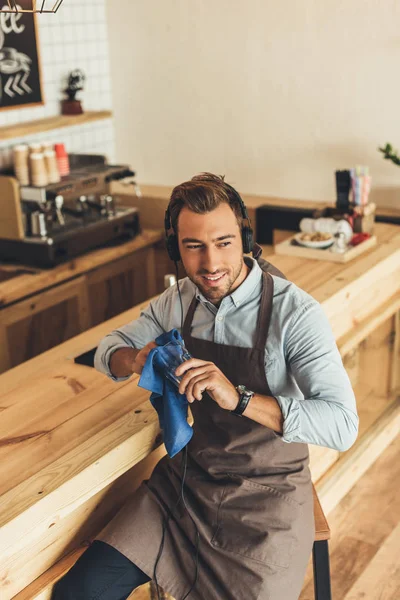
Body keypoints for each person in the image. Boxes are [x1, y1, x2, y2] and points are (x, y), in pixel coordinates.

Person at [53, 173, 358, 600]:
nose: (210, 264)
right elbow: (110, 347)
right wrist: (133, 359)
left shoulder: (296, 314)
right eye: (193, 246)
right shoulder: (179, 300)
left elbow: (343, 424)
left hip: (266, 501)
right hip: (184, 489)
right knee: (79, 592)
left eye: (224, 243)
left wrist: (239, 398)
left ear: (245, 239)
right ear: (174, 248)